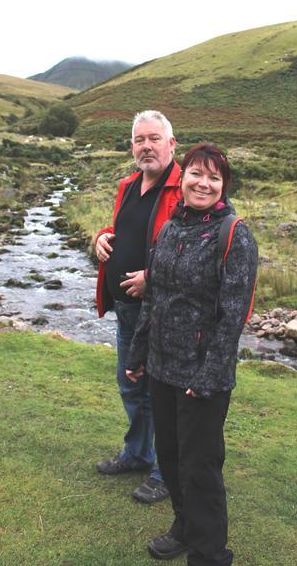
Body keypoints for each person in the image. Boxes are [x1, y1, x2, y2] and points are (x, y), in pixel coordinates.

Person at [126, 143, 258, 565]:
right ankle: (184, 527)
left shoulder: (234, 234)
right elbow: (154, 297)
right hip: (162, 368)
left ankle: (209, 552)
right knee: (172, 458)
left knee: (200, 470)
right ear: (181, 179)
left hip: (203, 376)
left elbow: (233, 315)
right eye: (196, 174)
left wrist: (209, 378)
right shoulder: (169, 228)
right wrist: (138, 353)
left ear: (223, 186)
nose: (204, 183)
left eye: (214, 177)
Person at [94, 110, 181, 504]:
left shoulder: (186, 189)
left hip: (162, 312)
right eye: (139, 140)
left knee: (162, 393)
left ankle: (167, 471)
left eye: (154, 138)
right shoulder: (128, 185)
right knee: (131, 387)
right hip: (126, 311)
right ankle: (137, 453)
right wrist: (99, 239)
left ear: (171, 144)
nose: (146, 146)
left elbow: (197, 250)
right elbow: (121, 231)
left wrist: (154, 276)